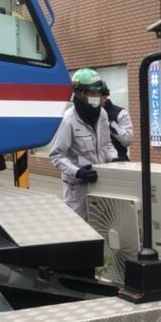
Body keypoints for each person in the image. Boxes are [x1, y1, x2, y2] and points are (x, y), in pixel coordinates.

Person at [49, 68, 117, 217]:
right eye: (92, 93)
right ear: (80, 94)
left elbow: (107, 144)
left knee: (103, 225)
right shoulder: (68, 120)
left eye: (98, 93)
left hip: (100, 183)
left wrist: (114, 159)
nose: (96, 97)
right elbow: (56, 155)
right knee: (78, 228)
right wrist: (77, 172)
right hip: (77, 189)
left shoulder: (102, 114)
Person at [98, 82, 134, 161]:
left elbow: (127, 141)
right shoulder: (84, 114)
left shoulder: (120, 113)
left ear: (104, 97)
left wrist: (112, 127)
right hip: (96, 162)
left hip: (119, 161)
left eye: (96, 95)